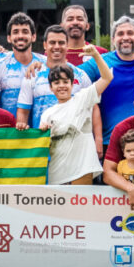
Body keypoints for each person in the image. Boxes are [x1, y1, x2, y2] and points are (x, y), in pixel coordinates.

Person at [79, 16, 134, 154]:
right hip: (110, 142)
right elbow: (71, 74)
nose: (125, 37)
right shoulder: (100, 62)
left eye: (130, 33)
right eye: (120, 34)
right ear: (113, 39)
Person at [40, 45, 113, 184]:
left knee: (82, 199)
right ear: (50, 87)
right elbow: (44, 146)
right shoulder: (47, 114)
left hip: (82, 169)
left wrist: (96, 55)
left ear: (72, 84)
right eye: (56, 82)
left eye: (65, 82)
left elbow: (107, 77)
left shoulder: (83, 98)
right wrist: (43, 130)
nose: (61, 86)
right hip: (57, 172)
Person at [18, 25, 92, 131]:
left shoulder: (81, 75)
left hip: (73, 138)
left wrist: (98, 138)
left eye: (61, 43)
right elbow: (23, 111)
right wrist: (22, 135)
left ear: (67, 45)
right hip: (42, 138)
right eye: (52, 42)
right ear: (45, 45)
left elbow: (93, 108)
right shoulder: (32, 75)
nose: (57, 47)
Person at [0, 12, 46, 117]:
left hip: (40, 126)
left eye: (25, 32)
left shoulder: (45, 64)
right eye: (15, 32)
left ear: (33, 37)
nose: (20, 36)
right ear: (9, 38)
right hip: (9, 127)